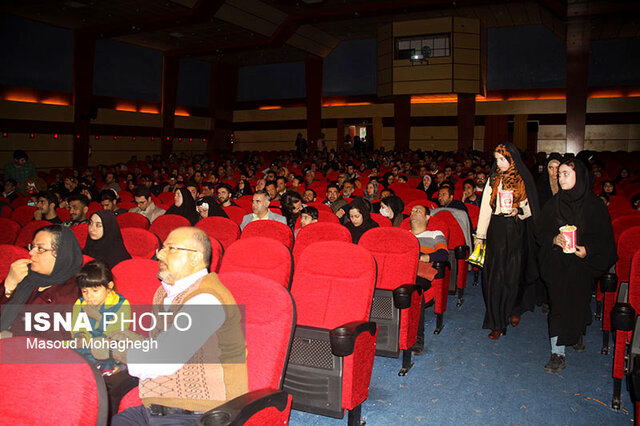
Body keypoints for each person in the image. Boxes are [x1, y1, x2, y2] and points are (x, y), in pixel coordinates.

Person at [110, 227, 248, 424]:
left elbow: (164, 359)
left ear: (195, 258)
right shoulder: (164, 294)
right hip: (154, 408)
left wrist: (119, 352)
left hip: (198, 414)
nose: (159, 254)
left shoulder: (207, 299)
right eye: (162, 248)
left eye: (170, 248)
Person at [536, 159, 617, 373]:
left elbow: (604, 238)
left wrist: (587, 249)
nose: (561, 178)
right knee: (558, 305)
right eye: (559, 174)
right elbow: (540, 231)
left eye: (566, 174)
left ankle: (577, 332)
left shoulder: (594, 205)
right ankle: (557, 353)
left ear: (579, 177)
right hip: (557, 263)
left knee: (578, 302)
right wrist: (554, 239)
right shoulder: (554, 203)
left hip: (581, 264)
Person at [475, 143, 540, 340]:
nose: (499, 163)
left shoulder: (523, 178)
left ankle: (512, 308)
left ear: (512, 159)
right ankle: (496, 321)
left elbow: (531, 208)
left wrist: (517, 210)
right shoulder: (493, 178)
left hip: (515, 229)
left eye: (503, 159)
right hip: (496, 229)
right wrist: (480, 236)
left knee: (512, 275)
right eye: (496, 159)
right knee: (494, 276)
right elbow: (485, 209)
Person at [1, 225, 83, 339]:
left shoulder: (75, 292)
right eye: (32, 247)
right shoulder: (25, 276)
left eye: (40, 249)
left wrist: (12, 336)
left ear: (61, 254)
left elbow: (55, 339)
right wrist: (9, 284)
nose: (31, 253)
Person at [71, 259, 131, 369]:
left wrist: (98, 317)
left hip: (108, 348)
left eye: (95, 291)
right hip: (87, 347)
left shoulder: (121, 304)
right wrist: (80, 336)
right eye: (85, 291)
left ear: (109, 287)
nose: (89, 296)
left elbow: (115, 333)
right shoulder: (80, 303)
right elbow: (77, 327)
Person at [408, 204, 449, 355]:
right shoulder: (404, 235)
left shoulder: (435, 234)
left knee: (415, 291)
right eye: (412, 211)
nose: (414, 212)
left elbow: (444, 254)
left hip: (421, 272)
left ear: (427, 218)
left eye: (418, 211)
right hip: (403, 270)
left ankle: (418, 338)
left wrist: (425, 257)